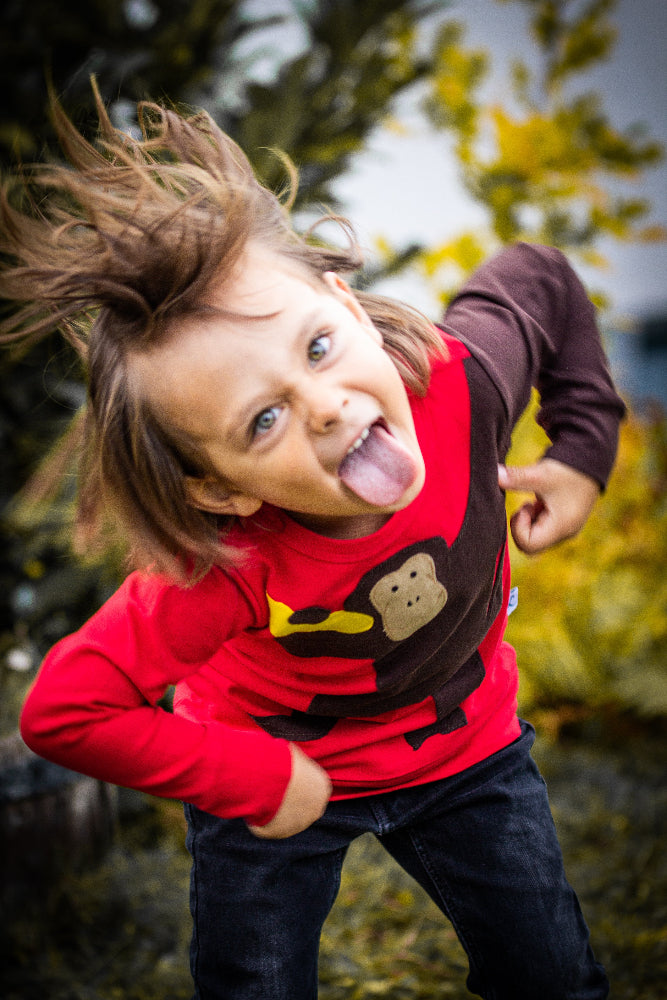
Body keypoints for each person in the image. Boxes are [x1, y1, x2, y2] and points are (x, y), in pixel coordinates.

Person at [0, 86, 624, 999]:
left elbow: (539, 275)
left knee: (551, 978)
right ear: (213, 485)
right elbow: (63, 710)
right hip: (279, 773)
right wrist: (242, 771)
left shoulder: (464, 387)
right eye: (261, 420)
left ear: (348, 303)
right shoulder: (222, 565)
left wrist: (582, 446)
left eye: (320, 347)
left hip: (465, 750)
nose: (325, 406)